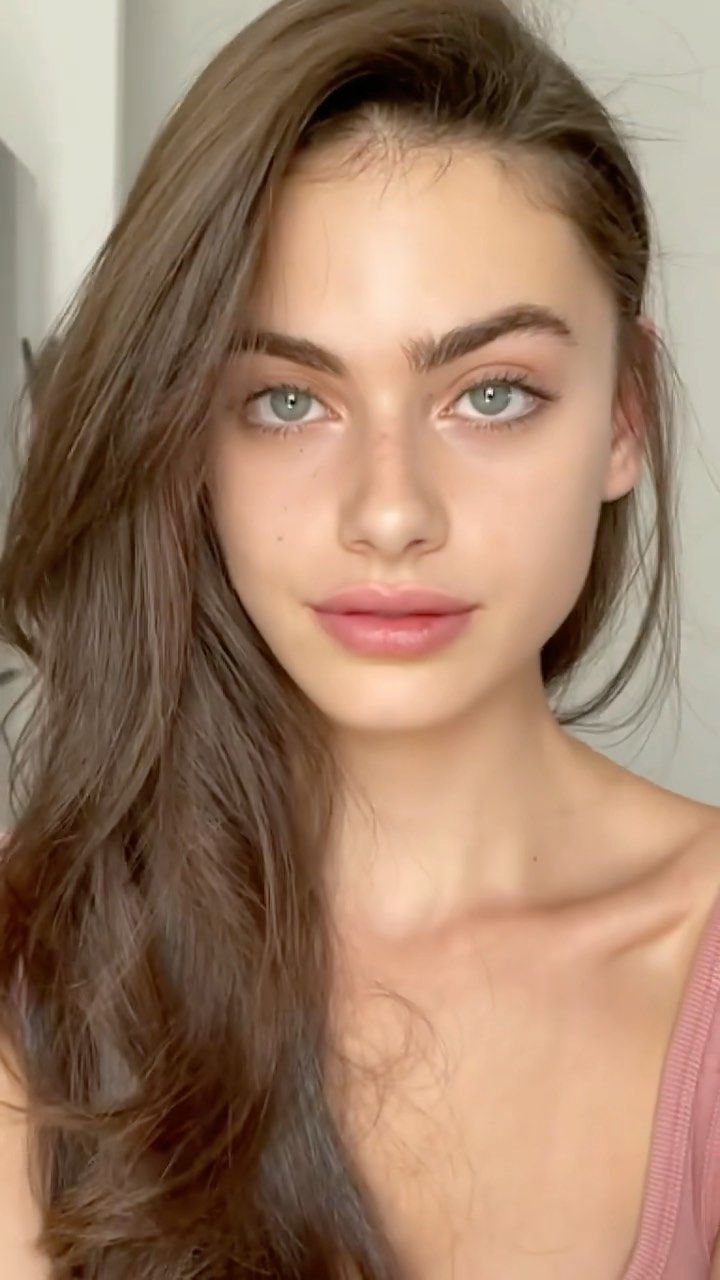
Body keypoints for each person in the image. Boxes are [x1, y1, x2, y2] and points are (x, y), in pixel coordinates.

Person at [0, 0, 718, 1275]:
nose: (391, 511)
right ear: (186, 436)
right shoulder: (34, 973)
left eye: (490, 393)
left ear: (621, 419)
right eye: (286, 399)